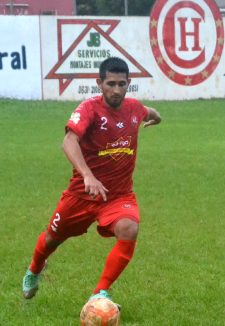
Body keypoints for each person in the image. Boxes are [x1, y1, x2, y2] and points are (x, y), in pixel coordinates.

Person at [22, 57, 162, 306]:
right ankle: (35, 269)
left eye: (121, 84)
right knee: (52, 239)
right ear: (99, 83)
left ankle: (100, 293)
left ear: (129, 83)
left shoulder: (134, 109)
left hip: (118, 195)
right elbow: (68, 141)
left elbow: (149, 112)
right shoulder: (89, 109)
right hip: (81, 194)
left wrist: (156, 118)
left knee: (130, 229)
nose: (116, 90)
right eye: (110, 84)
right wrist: (88, 175)